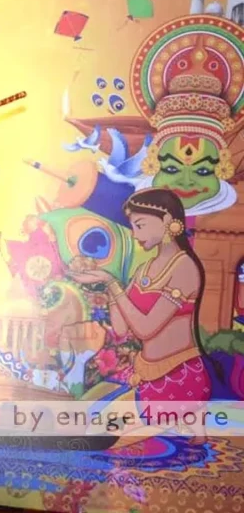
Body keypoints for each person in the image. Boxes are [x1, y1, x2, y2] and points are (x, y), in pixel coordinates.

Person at [69, 187, 214, 443]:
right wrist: (107, 284)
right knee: (89, 418)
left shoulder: (185, 267)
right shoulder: (143, 269)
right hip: (145, 377)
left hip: (179, 378)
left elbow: (147, 329)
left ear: (167, 220)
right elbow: (123, 329)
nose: (135, 235)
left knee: (103, 434)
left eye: (140, 225)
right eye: (133, 226)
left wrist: (113, 284)